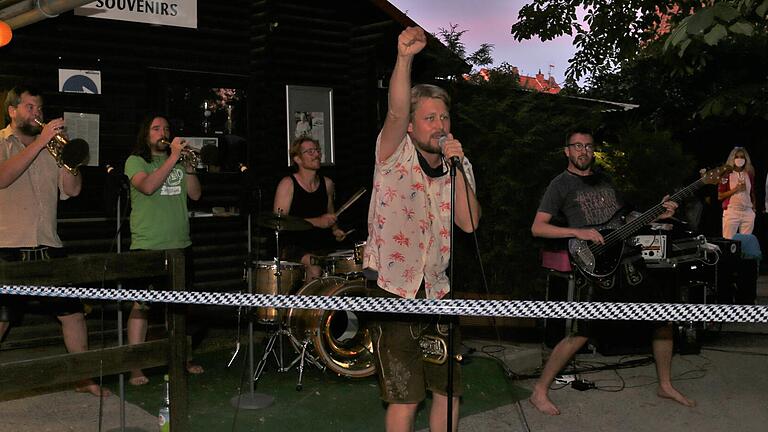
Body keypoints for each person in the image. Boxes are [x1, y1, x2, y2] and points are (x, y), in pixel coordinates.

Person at [362, 27, 481, 432]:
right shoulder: (393, 153)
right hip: (394, 290)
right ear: (412, 127)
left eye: (444, 116)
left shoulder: (456, 164)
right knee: (405, 395)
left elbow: (468, 222)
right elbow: (395, 111)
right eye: (429, 117)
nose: (439, 124)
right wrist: (404, 58)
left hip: (439, 291)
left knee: (448, 389)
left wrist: (459, 167)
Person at [529, 128, 695, 415]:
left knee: (663, 319)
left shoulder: (606, 180)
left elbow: (626, 218)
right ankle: (539, 390)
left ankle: (665, 384)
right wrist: (578, 231)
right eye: (577, 146)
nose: (583, 151)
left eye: (588, 146)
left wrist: (657, 214)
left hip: (630, 261)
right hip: (597, 267)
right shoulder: (560, 185)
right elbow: (538, 226)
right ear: (567, 151)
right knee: (582, 333)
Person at [0, 85, 109, 397]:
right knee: (2, 319)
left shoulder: (52, 148)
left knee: (73, 314)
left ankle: (84, 378)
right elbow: (3, 178)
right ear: (12, 110)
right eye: (30, 107)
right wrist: (42, 141)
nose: (37, 114)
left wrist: (70, 160)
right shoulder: (1, 141)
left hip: (48, 244)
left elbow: (72, 190)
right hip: (8, 244)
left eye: (40, 108)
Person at [124, 114, 203, 385]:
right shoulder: (136, 161)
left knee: (180, 308)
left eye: (166, 128)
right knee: (141, 307)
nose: (163, 132)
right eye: (156, 128)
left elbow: (195, 195)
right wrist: (173, 158)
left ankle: (181, 359)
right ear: (145, 134)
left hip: (180, 244)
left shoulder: (179, 162)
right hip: (148, 245)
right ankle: (135, 366)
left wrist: (189, 166)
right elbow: (147, 186)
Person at [273, 136, 346, 280]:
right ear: (298, 159)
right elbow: (278, 223)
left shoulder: (328, 184)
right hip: (293, 247)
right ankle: (309, 301)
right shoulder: (288, 184)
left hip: (321, 245)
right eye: (310, 151)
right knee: (314, 265)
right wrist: (316, 221)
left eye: (317, 150)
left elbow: (330, 215)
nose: (317, 155)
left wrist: (336, 229)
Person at [718, 146, 756, 239]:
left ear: (746, 159)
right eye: (737, 157)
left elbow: (752, 192)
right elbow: (720, 196)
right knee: (729, 243)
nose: (740, 159)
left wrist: (753, 208)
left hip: (747, 212)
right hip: (732, 212)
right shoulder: (726, 174)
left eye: (742, 157)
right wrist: (736, 189)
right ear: (732, 158)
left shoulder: (749, 174)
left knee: (745, 244)